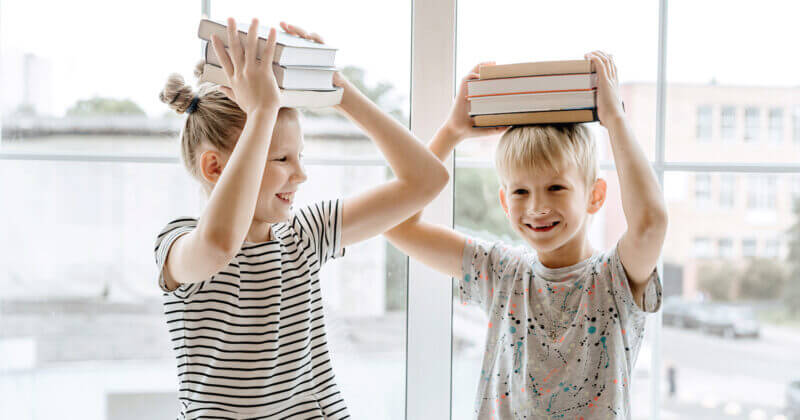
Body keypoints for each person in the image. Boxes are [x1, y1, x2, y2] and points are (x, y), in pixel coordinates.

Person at [155, 18, 448, 419]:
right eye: (280, 158)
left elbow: (426, 181)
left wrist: (340, 92)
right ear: (214, 167)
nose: (300, 174)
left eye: (300, 156)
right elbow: (220, 245)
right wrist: (260, 111)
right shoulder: (178, 243)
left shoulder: (305, 235)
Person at [384, 53, 666, 419]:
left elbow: (651, 223)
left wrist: (614, 121)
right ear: (504, 200)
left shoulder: (614, 279)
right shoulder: (501, 272)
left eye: (556, 188)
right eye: (520, 192)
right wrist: (451, 132)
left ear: (595, 195)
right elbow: (395, 224)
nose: (536, 207)